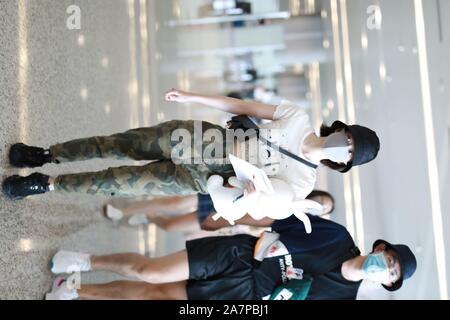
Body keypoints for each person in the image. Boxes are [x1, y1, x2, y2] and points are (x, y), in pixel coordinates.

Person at [3, 89, 379, 223]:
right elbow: (241, 104)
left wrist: (254, 198)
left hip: (209, 179)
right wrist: (193, 96)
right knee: (118, 143)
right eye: (348, 139)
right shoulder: (297, 117)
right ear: (341, 130)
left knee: (117, 182)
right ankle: (47, 155)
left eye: (348, 153)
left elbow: (271, 202)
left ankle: (46, 185)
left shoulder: (305, 181)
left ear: (343, 163)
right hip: (200, 138)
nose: (343, 147)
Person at [44, 214, 417, 300]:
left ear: (387, 283)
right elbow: (278, 219)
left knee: (153, 297)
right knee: (151, 273)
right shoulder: (338, 237)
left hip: (242, 300)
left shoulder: (343, 298)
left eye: (391, 275)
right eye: (390, 260)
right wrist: (228, 216)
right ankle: (84, 260)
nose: (385, 269)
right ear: (380, 249)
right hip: (239, 256)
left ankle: (76, 291)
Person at [104, 190, 335, 235]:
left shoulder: (292, 221)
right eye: (322, 200)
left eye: (324, 209)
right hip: (226, 196)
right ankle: (122, 210)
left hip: (227, 216)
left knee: (171, 226)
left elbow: (259, 227)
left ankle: (149, 217)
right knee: (175, 203)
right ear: (316, 194)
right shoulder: (292, 190)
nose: (320, 205)